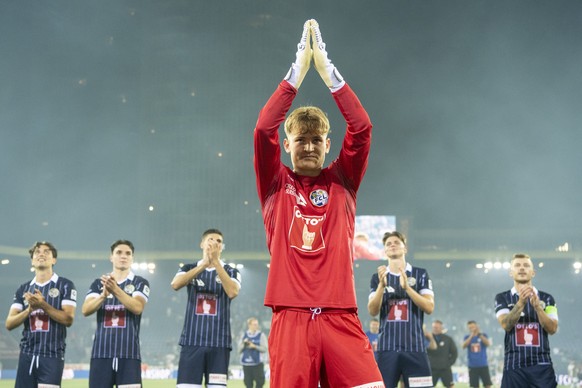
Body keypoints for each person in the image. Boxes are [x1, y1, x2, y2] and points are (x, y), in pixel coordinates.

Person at [253, 19, 384, 387]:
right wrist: (297, 74)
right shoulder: (275, 184)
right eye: (301, 139)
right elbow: (264, 130)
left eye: (317, 140)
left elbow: (361, 128)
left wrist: (328, 73)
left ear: (328, 145)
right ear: (288, 144)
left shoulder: (343, 180)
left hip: (340, 314)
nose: (309, 146)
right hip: (290, 317)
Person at [171, 229, 241, 388]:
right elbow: (175, 284)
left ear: (222, 247)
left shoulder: (231, 271)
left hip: (219, 343)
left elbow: (232, 292)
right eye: (211, 239)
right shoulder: (188, 268)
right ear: (202, 244)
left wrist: (215, 262)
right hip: (191, 342)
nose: (215, 243)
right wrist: (204, 264)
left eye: (219, 241)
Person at [5, 241, 77, 387]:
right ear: (32, 260)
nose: (41, 254)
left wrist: (42, 305)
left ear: (54, 259)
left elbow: (68, 319)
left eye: (46, 251)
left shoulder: (65, 285)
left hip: (52, 356)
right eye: (37, 252)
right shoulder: (23, 289)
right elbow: (9, 323)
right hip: (26, 355)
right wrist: (29, 310)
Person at [368, 231, 435, 388]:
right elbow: (372, 310)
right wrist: (381, 286)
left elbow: (429, 307)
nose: (392, 244)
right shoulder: (377, 277)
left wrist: (408, 289)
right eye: (388, 243)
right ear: (385, 251)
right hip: (386, 349)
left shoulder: (420, 274)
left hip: (415, 348)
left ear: (405, 249)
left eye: (396, 242)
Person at [82, 239, 150, 388]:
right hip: (101, 354)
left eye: (128, 253)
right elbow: (85, 310)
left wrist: (115, 290)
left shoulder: (140, 282)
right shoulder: (98, 283)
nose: (123, 256)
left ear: (132, 258)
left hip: (129, 354)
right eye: (119, 252)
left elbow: (137, 307)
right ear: (111, 257)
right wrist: (103, 296)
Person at [494, 253, 558, 388]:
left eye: (526, 265)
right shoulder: (502, 298)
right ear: (511, 273)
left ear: (533, 273)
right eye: (517, 265)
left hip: (542, 366)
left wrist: (538, 309)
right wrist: (521, 303)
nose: (522, 268)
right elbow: (506, 324)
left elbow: (552, 329)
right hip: (514, 366)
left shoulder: (547, 299)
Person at [427, 320, 458, 387]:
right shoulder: (427, 339)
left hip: (445, 368)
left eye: (437, 327)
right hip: (432, 368)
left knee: (450, 386)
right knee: (428, 386)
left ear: (441, 328)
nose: (435, 329)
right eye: (434, 327)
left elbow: (454, 352)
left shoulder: (448, 339)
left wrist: (449, 363)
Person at [462, 320, 492, 388]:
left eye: (473, 327)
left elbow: (488, 343)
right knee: (474, 385)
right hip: (472, 365)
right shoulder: (467, 337)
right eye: (470, 327)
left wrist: (479, 334)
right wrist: (471, 336)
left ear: (477, 326)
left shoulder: (483, 335)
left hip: (483, 364)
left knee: (487, 384)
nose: (472, 329)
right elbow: (463, 346)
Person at [239, 317, 268, 388]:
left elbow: (265, 349)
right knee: (248, 384)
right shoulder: (244, 335)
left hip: (257, 364)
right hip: (246, 364)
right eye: (254, 324)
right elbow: (239, 350)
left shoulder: (261, 335)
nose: (256, 326)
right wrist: (244, 344)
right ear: (249, 325)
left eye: (257, 324)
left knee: (260, 383)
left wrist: (254, 346)